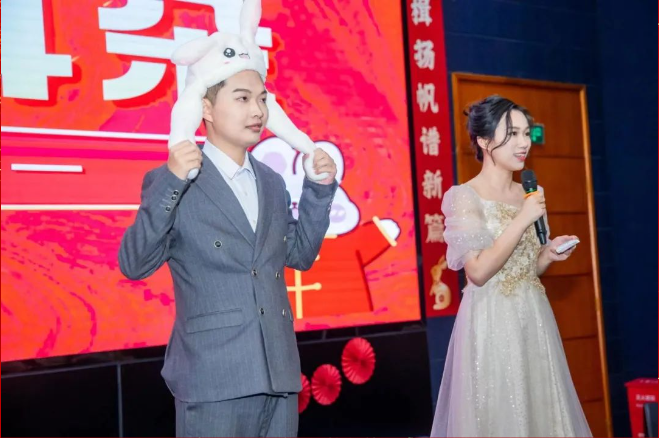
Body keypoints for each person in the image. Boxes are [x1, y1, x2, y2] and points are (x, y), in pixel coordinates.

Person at [119, 0, 337, 435]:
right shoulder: (174, 180)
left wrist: (318, 189)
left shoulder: (272, 182)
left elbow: (300, 255)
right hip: (213, 378)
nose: (257, 111)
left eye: (262, 100)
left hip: (278, 373)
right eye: (242, 99)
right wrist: (173, 180)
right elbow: (134, 263)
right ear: (205, 107)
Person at [430, 95, 592, 437]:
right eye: (512, 134)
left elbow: (526, 268)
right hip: (491, 320)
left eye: (526, 133)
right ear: (484, 141)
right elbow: (477, 271)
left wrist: (547, 255)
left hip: (533, 316)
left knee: (540, 413)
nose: (523, 143)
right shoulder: (464, 196)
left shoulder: (530, 192)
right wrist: (522, 219)